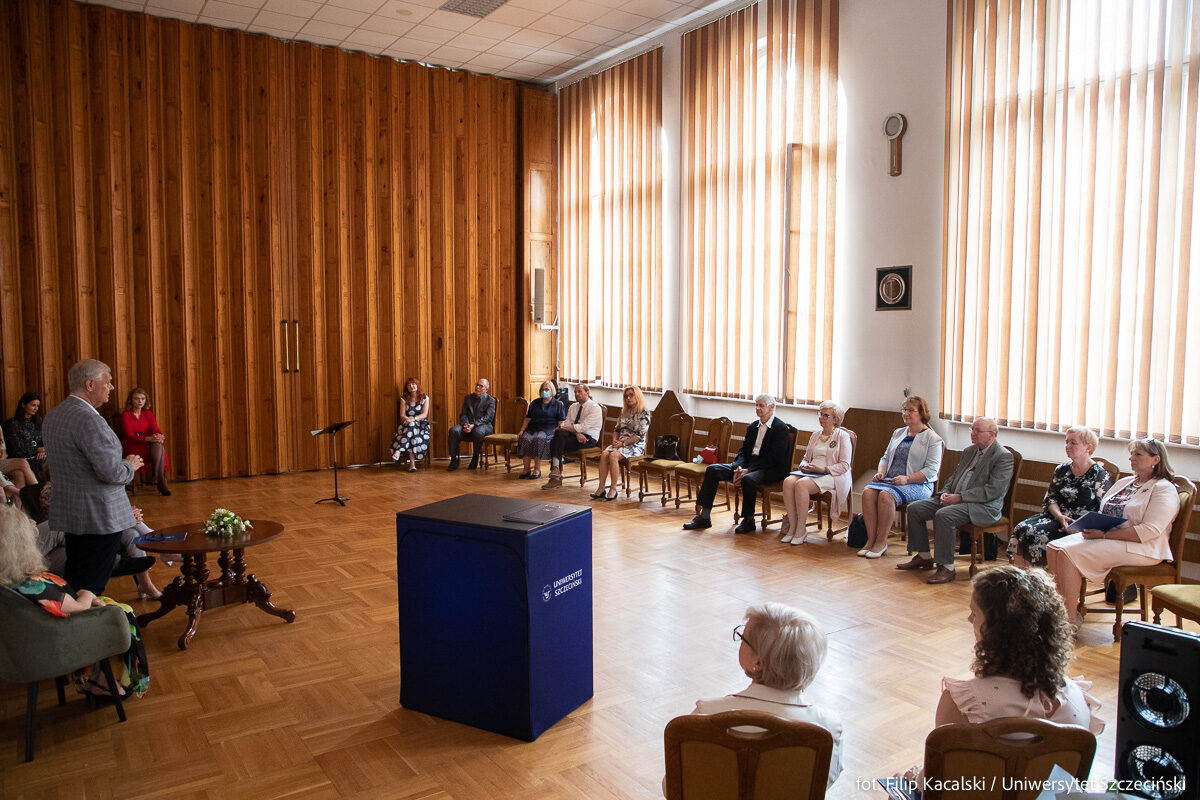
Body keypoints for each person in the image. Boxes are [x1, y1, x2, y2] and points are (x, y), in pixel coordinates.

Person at [899, 566, 1103, 788]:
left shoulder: (962, 704)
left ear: (997, 629)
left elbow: (945, 781)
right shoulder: (1076, 698)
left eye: (975, 614)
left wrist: (914, 775)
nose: (969, 619)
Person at [0, 503, 150, 698]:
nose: (33, 523)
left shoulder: (10, 582)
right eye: (28, 526)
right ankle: (103, 679)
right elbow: (79, 609)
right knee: (123, 611)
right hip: (61, 639)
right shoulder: (36, 585)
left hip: (27, 643)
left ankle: (115, 563)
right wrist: (88, 594)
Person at [692, 603, 843, 788]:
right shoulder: (826, 727)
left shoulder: (707, 714)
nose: (739, 641)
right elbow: (822, 785)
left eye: (742, 638)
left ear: (758, 662)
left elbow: (676, 785)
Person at [1047, 438, 1180, 628]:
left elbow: (1149, 530)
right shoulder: (1126, 482)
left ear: (1155, 460)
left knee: (1068, 553)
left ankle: (1067, 622)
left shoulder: (1163, 489)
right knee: (1054, 547)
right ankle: (1062, 610)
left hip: (1143, 547)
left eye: (1138, 454)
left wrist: (1103, 536)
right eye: (1132, 453)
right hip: (1111, 536)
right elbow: (1106, 511)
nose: (1131, 458)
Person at [42, 359, 144, 596]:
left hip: (72, 512)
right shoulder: (90, 420)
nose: (112, 387)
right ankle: (85, 627)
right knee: (91, 586)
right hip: (98, 517)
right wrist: (130, 466)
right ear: (90, 384)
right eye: (107, 382)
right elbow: (111, 473)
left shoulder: (54, 415)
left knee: (76, 575)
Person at [899, 418, 1013, 585]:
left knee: (944, 515)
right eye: (972, 429)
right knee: (915, 508)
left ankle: (947, 567)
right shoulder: (969, 451)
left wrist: (960, 497)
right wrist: (945, 493)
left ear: (992, 434)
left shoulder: (1003, 456)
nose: (973, 434)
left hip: (982, 506)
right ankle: (923, 556)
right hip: (955, 498)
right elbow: (955, 476)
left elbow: (993, 490)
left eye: (977, 431)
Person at [682, 394, 790, 534]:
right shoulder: (752, 427)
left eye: (761, 405)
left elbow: (775, 457)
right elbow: (743, 451)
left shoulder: (780, 428)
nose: (757, 408)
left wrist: (749, 470)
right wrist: (739, 466)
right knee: (713, 469)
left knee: (748, 479)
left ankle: (748, 520)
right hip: (748, 467)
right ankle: (704, 516)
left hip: (769, 469)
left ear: (772, 407)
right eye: (756, 405)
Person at [1008, 427, 1111, 568]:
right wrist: (1060, 517)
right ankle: (1023, 579)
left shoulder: (1099, 474)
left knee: (1036, 534)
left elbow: (1105, 509)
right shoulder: (1061, 469)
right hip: (1056, 517)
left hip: (1080, 524)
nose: (1068, 446)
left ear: (1088, 447)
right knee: (1021, 528)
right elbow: (1050, 499)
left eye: (1073, 443)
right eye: (1066, 442)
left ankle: (1043, 580)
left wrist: (1081, 526)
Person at [858, 396, 942, 558]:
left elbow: (932, 471)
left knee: (886, 496)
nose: (906, 413)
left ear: (922, 413)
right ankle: (870, 540)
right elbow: (885, 457)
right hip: (890, 480)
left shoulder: (932, 438)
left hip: (918, 484)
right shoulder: (898, 433)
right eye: (904, 410)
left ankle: (881, 542)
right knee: (867, 492)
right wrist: (881, 472)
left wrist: (907, 479)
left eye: (911, 410)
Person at [778, 401, 852, 545]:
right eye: (820, 414)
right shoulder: (815, 435)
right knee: (788, 482)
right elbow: (805, 459)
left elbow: (844, 465)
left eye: (826, 415)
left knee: (801, 484)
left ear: (835, 419)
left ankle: (801, 529)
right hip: (812, 473)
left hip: (832, 475)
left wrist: (823, 469)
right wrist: (805, 466)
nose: (821, 417)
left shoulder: (842, 436)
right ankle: (792, 527)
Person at [591, 386, 651, 501]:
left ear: (637, 396)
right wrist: (614, 440)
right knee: (604, 454)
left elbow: (639, 435)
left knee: (613, 455)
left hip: (635, 445)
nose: (628, 398)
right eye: (626, 396)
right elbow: (617, 429)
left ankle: (613, 489)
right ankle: (601, 488)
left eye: (631, 395)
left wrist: (622, 444)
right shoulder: (624, 411)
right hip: (620, 443)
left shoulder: (644, 413)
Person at [542, 383, 602, 489]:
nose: (577, 394)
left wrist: (564, 428)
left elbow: (582, 427)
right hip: (575, 435)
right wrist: (576, 433)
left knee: (555, 440)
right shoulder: (573, 406)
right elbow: (568, 424)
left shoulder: (594, 408)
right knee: (559, 436)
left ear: (587, 392)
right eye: (575, 392)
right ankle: (556, 472)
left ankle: (555, 474)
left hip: (588, 439)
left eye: (579, 392)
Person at [117, 388, 170, 496]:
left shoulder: (148, 413)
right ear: (131, 400)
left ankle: (159, 478)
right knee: (158, 448)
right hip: (131, 443)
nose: (140, 401)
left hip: (147, 442)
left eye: (142, 398)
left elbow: (155, 429)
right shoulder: (126, 414)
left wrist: (159, 436)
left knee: (158, 445)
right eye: (136, 399)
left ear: (146, 400)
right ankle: (160, 480)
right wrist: (148, 438)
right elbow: (130, 435)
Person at [515, 380, 567, 480]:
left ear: (551, 390)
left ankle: (537, 469)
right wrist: (522, 430)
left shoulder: (558, 404)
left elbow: (561, 421)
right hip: (533, 428)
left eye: (546, 389)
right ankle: (526, 469)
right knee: (525, 438)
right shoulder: (535, 403)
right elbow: (527, 418)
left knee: (538, 439)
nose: (544, 391)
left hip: (548, 429)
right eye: (542, 390)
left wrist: (559, 429)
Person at [447, 378, 496, 471]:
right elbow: (463, 414)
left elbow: (488, 418)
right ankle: (454, 459)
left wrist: (474, 425)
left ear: (486, 389)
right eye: (477, 385)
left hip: (484, 426)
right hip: (468, 425)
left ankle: (475, 458)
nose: (477, 387)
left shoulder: (490, 400)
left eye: (480, 386)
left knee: (478, 432)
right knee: (453, 430)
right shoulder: (468, 398)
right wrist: (466, 424)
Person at [390, 378, 431, 472]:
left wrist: (414, 419)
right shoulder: (404, 399)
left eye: (414, 384)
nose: (412, 386)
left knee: (412, 427)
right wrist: (408, 419)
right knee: (411, 430)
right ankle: (412, 465)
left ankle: (399, 451)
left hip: (421, 426)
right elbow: (402, 415)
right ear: (407, 388)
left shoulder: (425, 398)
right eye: (409, 385)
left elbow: (424, 414)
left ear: (417, 385)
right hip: (406, 425)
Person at [3, 392, 45, 478]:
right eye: (33, 405)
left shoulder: (38, 421)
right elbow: (17, 450)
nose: (36, 408)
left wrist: (44, 451)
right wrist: (38, 449)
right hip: (22, 460)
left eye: (37, 406)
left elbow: (44, 441)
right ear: (23, 405)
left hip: (39, 457)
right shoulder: (13, 424)